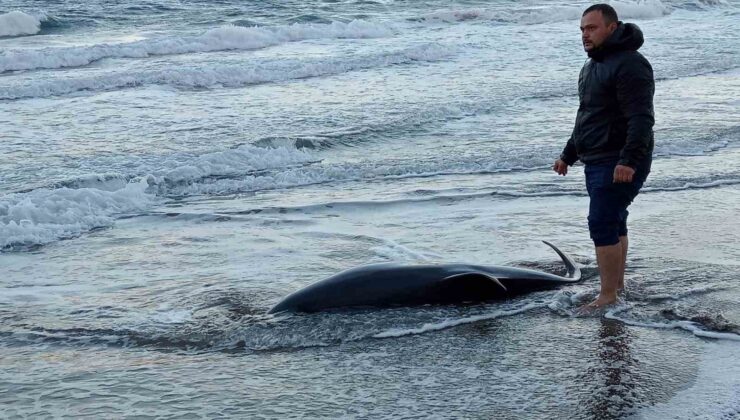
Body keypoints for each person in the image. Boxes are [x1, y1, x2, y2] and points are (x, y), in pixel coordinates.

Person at [553, 4, 654, 309]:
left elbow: (641, 118)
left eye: (592, 28)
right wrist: (568, 155)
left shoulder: (631, 64)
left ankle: (607, 296)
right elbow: (587, 116)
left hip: (619, 159)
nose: (585, 34)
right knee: (614, 221)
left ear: (612, 27)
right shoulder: (591, 66)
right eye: (582, 29)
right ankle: (617, 288)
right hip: (597, 158)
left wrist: (628, 160)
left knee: (601, 221)